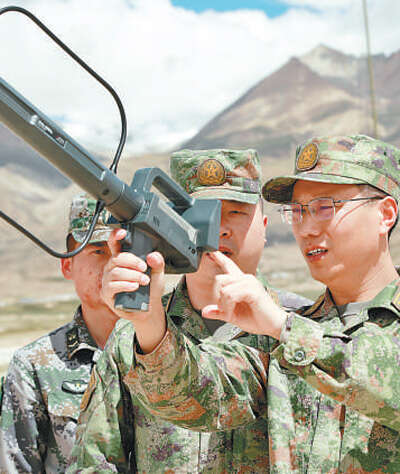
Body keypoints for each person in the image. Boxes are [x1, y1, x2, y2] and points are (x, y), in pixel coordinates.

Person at [104, 135, 400, 472]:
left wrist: (284, 328)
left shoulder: (288, 331)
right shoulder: (288, 337)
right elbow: (199, 398)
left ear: (385, 214)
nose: (305, 229)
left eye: (324, 208)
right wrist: (151, 321)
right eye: (298, 212)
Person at [67, 149, 312, 473]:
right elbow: (95, 462)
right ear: (169, 227)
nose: (219, 228)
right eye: (202, 214)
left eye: (237, 212)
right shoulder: (133, 337)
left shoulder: (301, 329)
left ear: (264, 226)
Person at [0, 193, 118, 473]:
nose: (114, 263)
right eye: (99, 250)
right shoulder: (35, 366)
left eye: (124, 250)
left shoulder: (169, 352)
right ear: (68, 266)